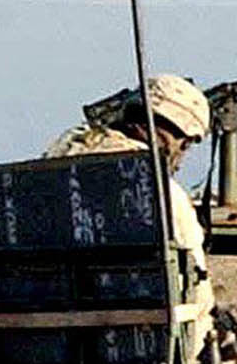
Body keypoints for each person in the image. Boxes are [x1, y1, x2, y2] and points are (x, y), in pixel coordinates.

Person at [44, 73, 214, 345]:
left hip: (49, 342)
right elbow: (198, 300)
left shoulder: (52, 167)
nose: (182, 157)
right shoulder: (163, 194)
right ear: (165, 132)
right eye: (185, 143)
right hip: (143, 354)